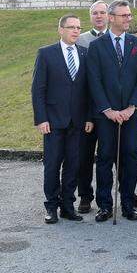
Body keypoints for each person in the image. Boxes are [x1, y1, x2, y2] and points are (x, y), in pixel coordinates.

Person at [87, 0, 137, 222]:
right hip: (106, 115)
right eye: (124, 15)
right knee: (105, 157)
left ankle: (127, 203)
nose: (128, 19)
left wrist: (131, 107)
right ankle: (104, 205)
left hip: (132, 114)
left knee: (131, 156)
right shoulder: (96, 46)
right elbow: (94, 81)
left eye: (129, 15)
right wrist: (108, 110)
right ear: (111, 18)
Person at [32, 14, 93, 224]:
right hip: (53, 122)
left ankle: (68, 206)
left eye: (78, 27)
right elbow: (38, 90)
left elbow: (88, 90)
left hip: (78, 122)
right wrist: (41, 119)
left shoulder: (85, 54)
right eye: (71, 27)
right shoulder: (46, 54)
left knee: (73, 166)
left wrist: (89, 117)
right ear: (61, 30)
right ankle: (51, 207)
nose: (76, 31)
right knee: (52, 166)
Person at [75, 1, 108, 214]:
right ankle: (85, 196)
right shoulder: (81, 40)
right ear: (90, 16)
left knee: (112, 155)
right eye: (95, 13)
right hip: (87, 107)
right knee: (84, 155)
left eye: (102, 12)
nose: (99, 16)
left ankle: (124, 193)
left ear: (109, 15)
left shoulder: (116, 39)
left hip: (111, 108)